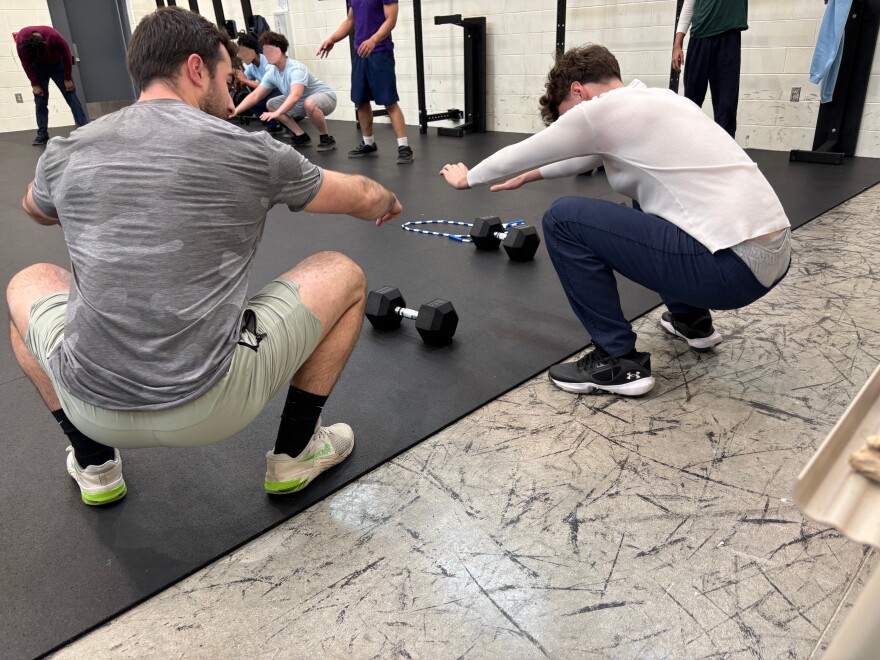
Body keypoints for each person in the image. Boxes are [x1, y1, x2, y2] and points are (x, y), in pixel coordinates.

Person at [7, 6, 402, 506]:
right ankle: (295, 455)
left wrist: (77, 197)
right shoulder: (252, 151)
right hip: (211, 405)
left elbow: (33, 208)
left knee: (27, 281)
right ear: (196, 69)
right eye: (224, 73)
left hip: (89, 403)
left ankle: (95, 463)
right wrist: (389, 200)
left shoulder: (66, 151)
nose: (231, 83)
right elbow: (364, 198)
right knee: (342, 272)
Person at [440, 45, 791, 398]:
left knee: (563, 219)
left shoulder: (598, 111)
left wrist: (469, 177)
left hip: (729, 271)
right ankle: (693, 323)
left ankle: (617, 360)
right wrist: (529, 177)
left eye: (566, 118)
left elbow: (530, 148)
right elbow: (589, 156)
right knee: (643, 200)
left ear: (579, 91)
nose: (571, 128)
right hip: (771, 257)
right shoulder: (661, 99)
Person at [318, 0, 414, 164]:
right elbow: (350, 21)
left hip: (380, 52)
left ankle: (404, 147)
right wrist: (332, 39)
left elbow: (391, 20)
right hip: (360, 53)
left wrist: (374, 39)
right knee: (360, 101)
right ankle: (369, 143)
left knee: (390, 102)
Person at [232, 31, 338, 151]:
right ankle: (301, 135)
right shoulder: (272, 72)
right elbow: (255, 96)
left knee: (309, 103)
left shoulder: (295, 69)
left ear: (278, 51)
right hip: (301, 103)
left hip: (325, 98)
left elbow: (295, 96)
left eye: (268, 51)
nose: (265, 55)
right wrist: (235, 111)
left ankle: (326, 138)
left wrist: (277, 114)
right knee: (271, 103)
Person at [671, 0, 748, 138]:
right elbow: (689, 6)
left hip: (728, 38)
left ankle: (724, 154)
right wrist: (677, 44)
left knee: (726, 106)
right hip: (699, 38)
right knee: (691, 102)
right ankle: (687, 147)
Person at [15, 26, 89, 146]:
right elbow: (26, 63)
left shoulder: (53, 36)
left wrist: (67, 78)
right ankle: (42, 134)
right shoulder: (21, 41)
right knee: (40, 100)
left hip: (57, 65)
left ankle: (85, 129)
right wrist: (35, 84)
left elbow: (66, 56)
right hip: (38, 68)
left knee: (70, 94)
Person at [233, 33, 282, 133]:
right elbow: (240, 89)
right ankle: (273, 125)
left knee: (269, 99)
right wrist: (238, 81)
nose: (241, 56)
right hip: (269, 91)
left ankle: (284, 123)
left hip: (280, 90)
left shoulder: (267, 62)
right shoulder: (251, 67)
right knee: (252, 103)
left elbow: (265, 86)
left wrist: (245, 80)